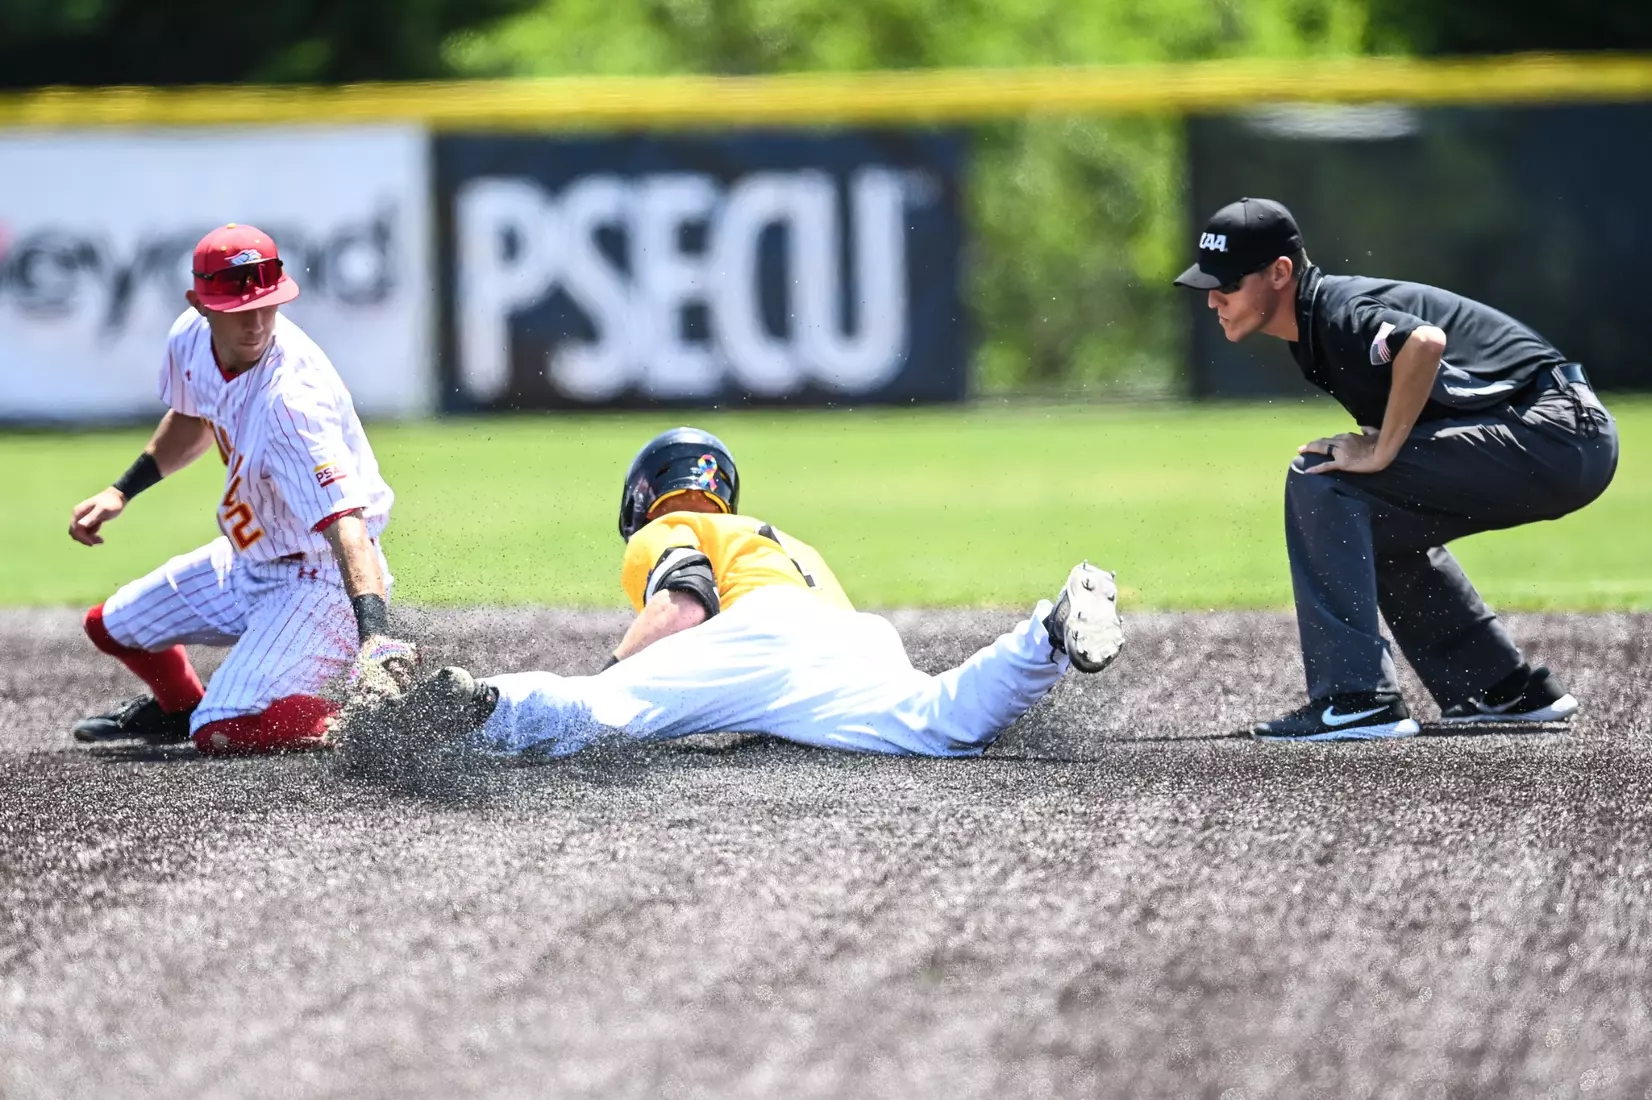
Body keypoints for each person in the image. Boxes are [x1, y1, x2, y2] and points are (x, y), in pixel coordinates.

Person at [340, 426, 1124, 768]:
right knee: (941, 719)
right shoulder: (784, 538)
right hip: (853, 639)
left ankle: (481, 710)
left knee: (607, 713)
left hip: (761, 634)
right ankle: (1046, 634)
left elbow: (686, 600)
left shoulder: (670, 527)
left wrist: (613, 674)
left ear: (645, 495)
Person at [1175, 197, 1617, 742]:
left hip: (1556, 430)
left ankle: (1357, 699)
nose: (1213, 299)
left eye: (1228, 284)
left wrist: (1383, 449)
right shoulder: (1314, 328)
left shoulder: (1337, 309)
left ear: (1280, 273)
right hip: (1554, 433)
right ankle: (1499, 686)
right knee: (1367, 517)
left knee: (1323, 478)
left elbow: (1423, 343)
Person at [68, 224, 413, 755]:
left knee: (223, 727)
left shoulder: (292, 401)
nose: (255, 323)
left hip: (316, 579)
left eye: (267, 304)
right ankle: (177, 709)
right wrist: (122, 491)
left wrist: (375, 635)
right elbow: (192, 418)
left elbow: (347, 523)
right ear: (200, 305)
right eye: (237, 308)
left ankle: (372, 724)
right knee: (109, 627)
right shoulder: (189, 338)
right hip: (247, 558)